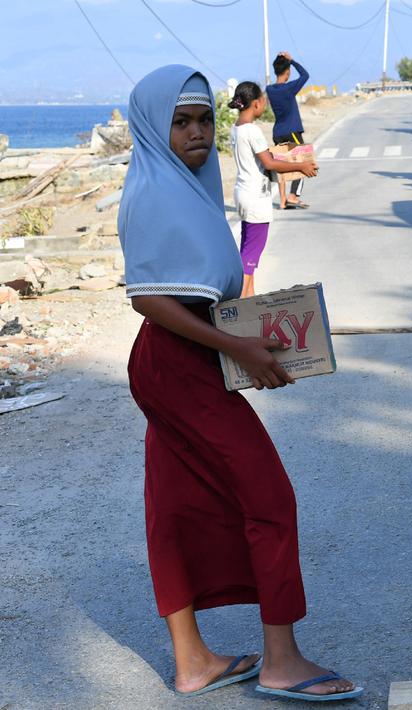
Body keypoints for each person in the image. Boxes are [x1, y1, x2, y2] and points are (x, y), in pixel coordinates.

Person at [118, 64, 359, 701]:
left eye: (203, 120)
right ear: (151, 125)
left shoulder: (184, 184)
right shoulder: (154, 193)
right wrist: (238, 349)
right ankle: (282, 660)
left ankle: (192, 660)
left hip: (188, 356)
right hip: (177, 362)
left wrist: (250, 340)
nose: (196, 133)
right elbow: (148, 298)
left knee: (171, 506)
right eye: (180, 121)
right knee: (269, 499)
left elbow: (196, 288)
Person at [228, 82, 318, 298]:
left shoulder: (237, 127)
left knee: (247, 254)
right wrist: (300, 166)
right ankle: (239, 307)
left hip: (243, 193)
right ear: (256, 103)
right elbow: (269, 164)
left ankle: (249, 302)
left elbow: (263, 158)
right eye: (264, 100)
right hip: (255, 199)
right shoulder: (252, 130)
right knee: (249, 262)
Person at [265, 52, 310, 210]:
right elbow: (305, 75)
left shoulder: (269, 89)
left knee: (281, 165)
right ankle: (293, 196)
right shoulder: (289, 88)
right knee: (305, 161)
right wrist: (293, 61)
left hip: (278, 132)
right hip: (292, 131)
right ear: (288, 72)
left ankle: (283, 200)